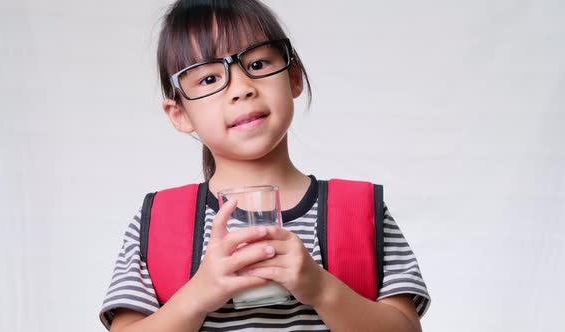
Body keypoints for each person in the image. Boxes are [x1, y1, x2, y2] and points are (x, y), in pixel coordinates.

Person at [99, 0, 430, 331]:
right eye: (209, 78)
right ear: (180, 114)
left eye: (257, 64)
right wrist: (199, 294)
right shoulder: (157, 220)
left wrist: (320, 287)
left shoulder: (361, 211)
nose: (242, 89)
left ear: (294, 77)